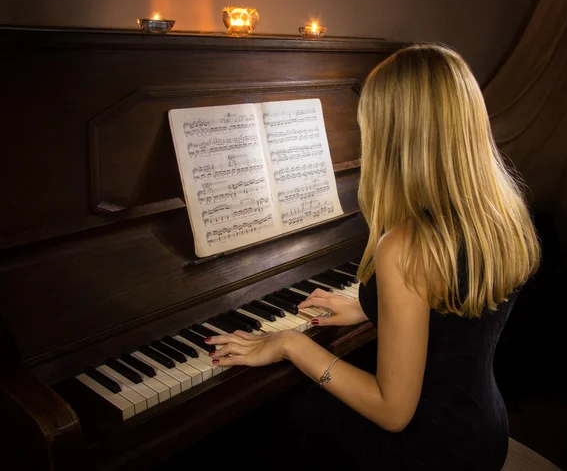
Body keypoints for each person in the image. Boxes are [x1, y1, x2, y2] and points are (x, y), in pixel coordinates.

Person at [205, 43, 541, 470]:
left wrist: (291, 343)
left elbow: (392, 412)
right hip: (483, 430)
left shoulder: (405, 244)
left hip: (428, 450)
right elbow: (454, 314)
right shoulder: (500, 209)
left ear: (393, 137)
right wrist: (372, 306)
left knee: (277, 421)